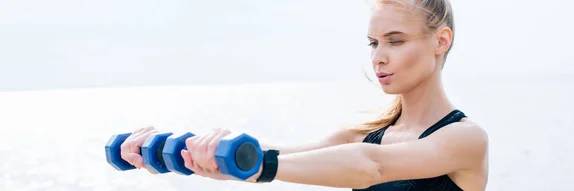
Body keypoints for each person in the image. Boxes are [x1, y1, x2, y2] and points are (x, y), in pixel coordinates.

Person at [118, 0, 489, 190]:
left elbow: (371, 166)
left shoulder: (464, 139)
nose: (379, 56)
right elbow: (270, 157)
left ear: (441, 41)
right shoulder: (360, 136)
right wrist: (175, 153)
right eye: (374, 43)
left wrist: (260, 166)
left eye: (396, 41)